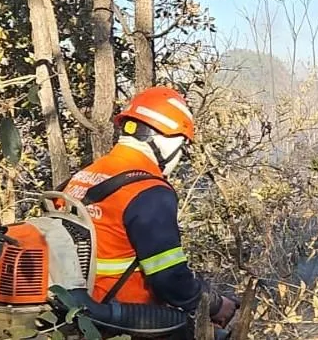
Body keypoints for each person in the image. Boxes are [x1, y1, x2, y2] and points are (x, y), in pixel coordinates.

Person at [61, 85, 238, 328]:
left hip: (73, 310)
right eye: (183, 146)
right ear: (169, 141)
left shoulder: (86, 175)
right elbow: (170, 279)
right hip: (119, 319)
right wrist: (216, 304)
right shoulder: (149, 191)